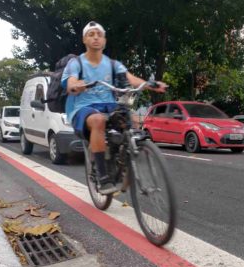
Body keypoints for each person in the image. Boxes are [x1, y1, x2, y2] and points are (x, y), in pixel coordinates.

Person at [61, 21, 167, 194]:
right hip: (83, 107)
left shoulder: (112, 64)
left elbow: (132, 79)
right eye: (91, 34)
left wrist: (151, 84)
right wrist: (76, 85)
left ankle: (122, 160)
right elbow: (71, 83)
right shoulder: (76, 64)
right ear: (84, 40)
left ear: (104, 41)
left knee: (131, 122)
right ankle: (102, 177)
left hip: (109, 105)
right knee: (98, 120)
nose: (95, 38)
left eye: (99, 35)